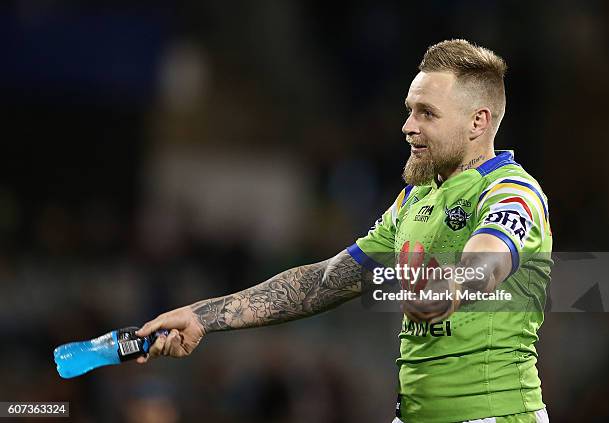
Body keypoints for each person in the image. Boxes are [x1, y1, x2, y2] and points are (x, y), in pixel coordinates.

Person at [136, 39, 552, 423]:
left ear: (478, 121)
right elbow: (324, 282)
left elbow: (489, 259)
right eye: (410, 110)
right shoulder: (415, 199)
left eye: (427, 113)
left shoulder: (510, 190)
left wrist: (448, 288)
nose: (408, 126)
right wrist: (202, 316)